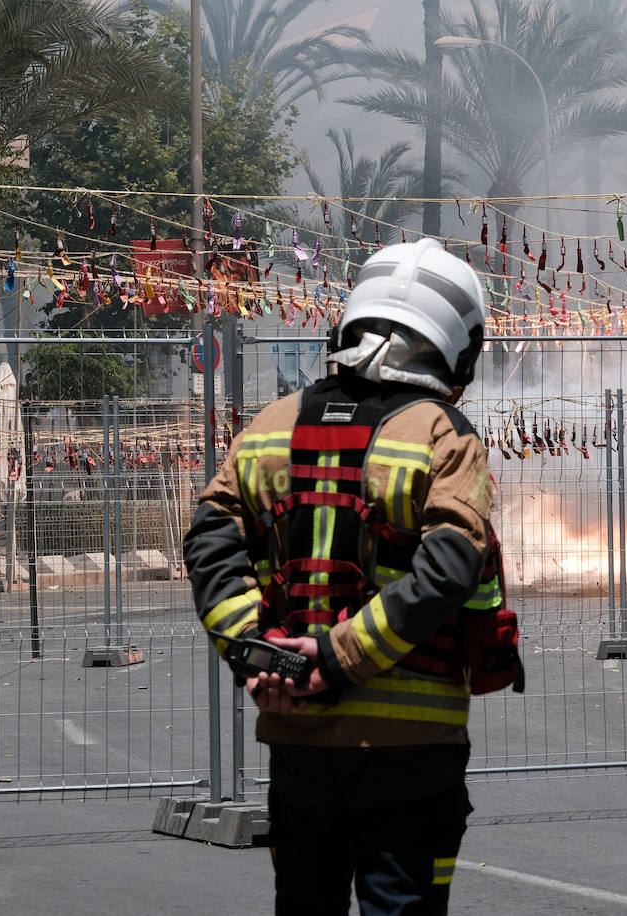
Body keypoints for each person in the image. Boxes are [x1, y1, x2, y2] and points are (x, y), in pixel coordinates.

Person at [184, 237, 502, 915]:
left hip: (297, 742)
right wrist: (335, 658)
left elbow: (210, 543)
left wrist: (260, 659)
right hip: (412, 750)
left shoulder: (269, 426)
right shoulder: (442, 435)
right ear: (455, 346)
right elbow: (451, 568)